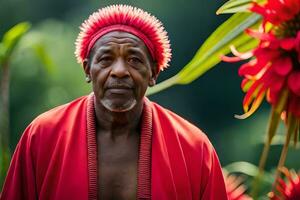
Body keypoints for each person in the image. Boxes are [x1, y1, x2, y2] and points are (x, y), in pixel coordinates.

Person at [0, 4, 228, 200]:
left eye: (134, 59)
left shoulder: (194, 148)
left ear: (154, 73)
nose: (119, 71)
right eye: (106, 59)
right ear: (88, 68)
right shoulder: (42, 136)